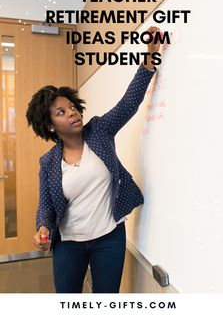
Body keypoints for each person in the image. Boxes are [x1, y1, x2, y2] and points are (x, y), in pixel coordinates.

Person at [26, 26, 161, 293]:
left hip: (109, 238)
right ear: (50, 125)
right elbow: (46, 205)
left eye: (73, 107)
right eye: (61, 112)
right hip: (69, 243)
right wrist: (42, 226)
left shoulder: (99, 131)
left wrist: (149, 59)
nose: (72, 113)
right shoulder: (48, 162)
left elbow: (128, 104)